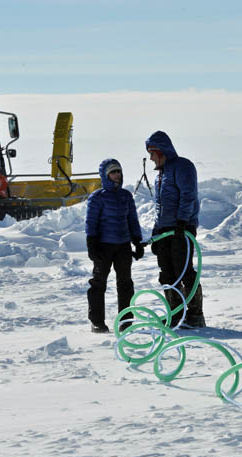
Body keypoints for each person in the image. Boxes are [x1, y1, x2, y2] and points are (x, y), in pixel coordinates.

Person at [145, 131, 205, 328]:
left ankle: (194, 315)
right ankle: (175, 314)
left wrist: (182, 221)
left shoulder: (183, 167)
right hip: (165, 231)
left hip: (181, 229)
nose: (151, 158)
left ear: (161, 151)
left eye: (152, 153)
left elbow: (188, 195)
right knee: (167, 274)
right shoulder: (160, 175)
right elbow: (160, 207)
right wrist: (156, 233)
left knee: (184, 271)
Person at [85, 158, 144, 333]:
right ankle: (97, 322)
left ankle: (126, 321)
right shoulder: (97, 197)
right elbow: (91, 223)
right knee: (98, 284)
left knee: (125, 284)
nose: (117, 175)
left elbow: (132, 220)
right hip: (104, 246)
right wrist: (91, 244)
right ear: (105, 175)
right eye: (113, 172)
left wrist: (137, 241)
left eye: (118, 171)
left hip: (123, 246)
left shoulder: (126, 196)